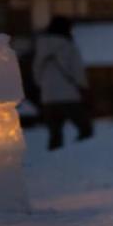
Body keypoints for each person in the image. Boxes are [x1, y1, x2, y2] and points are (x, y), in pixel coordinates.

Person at [32, 16, 94, 150]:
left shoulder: (41, 46)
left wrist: (42, 87)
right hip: (69, 95)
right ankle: (78, 154)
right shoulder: (68, 45)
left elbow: (36, 71)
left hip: (48, 97)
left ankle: (54, 162)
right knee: (86, 129)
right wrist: (84, 87)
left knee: (55, 135)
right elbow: (78, 70)